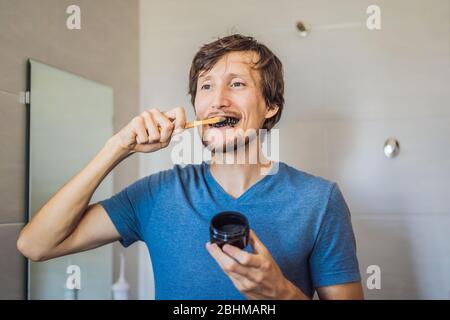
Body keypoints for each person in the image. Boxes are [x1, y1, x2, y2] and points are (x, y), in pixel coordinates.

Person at [17, 34, 363, 300]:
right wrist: (117, 147)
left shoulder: (319, 200)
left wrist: (281, 294)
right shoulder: (157, 194)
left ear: (270, 105)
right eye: (206, 86)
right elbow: (36, 245)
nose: (217, 99)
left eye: (237, 83)